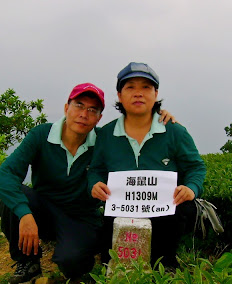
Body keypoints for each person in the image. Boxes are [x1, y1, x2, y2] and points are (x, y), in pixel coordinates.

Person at [0, 82, 176, 284]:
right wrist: (25, 215)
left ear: (99, 118)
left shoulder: (103, 141)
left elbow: (136, 148)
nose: (84, 114)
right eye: (79, 105)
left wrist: (154, 118)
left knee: (73, 266)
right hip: (43, 209)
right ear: (66, 108)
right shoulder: (41, 135)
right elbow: (5, 175)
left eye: (92, 110)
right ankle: (28, 264)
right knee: (13, 194)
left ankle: (78, 250)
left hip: (81, 217)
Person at [88, 62, 206, 270]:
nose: (138, 94)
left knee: (183, 210)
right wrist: (95, 184)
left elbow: (196, 167)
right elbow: (96, 168)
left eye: (146, 87)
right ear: (119, 95)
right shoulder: (106, 134)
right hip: (120, 210)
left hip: (164, 212)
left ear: (155, 93)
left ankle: (166, 262)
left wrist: (191, 188)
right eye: (130, 87)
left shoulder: (175, 132)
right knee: (114, 265)